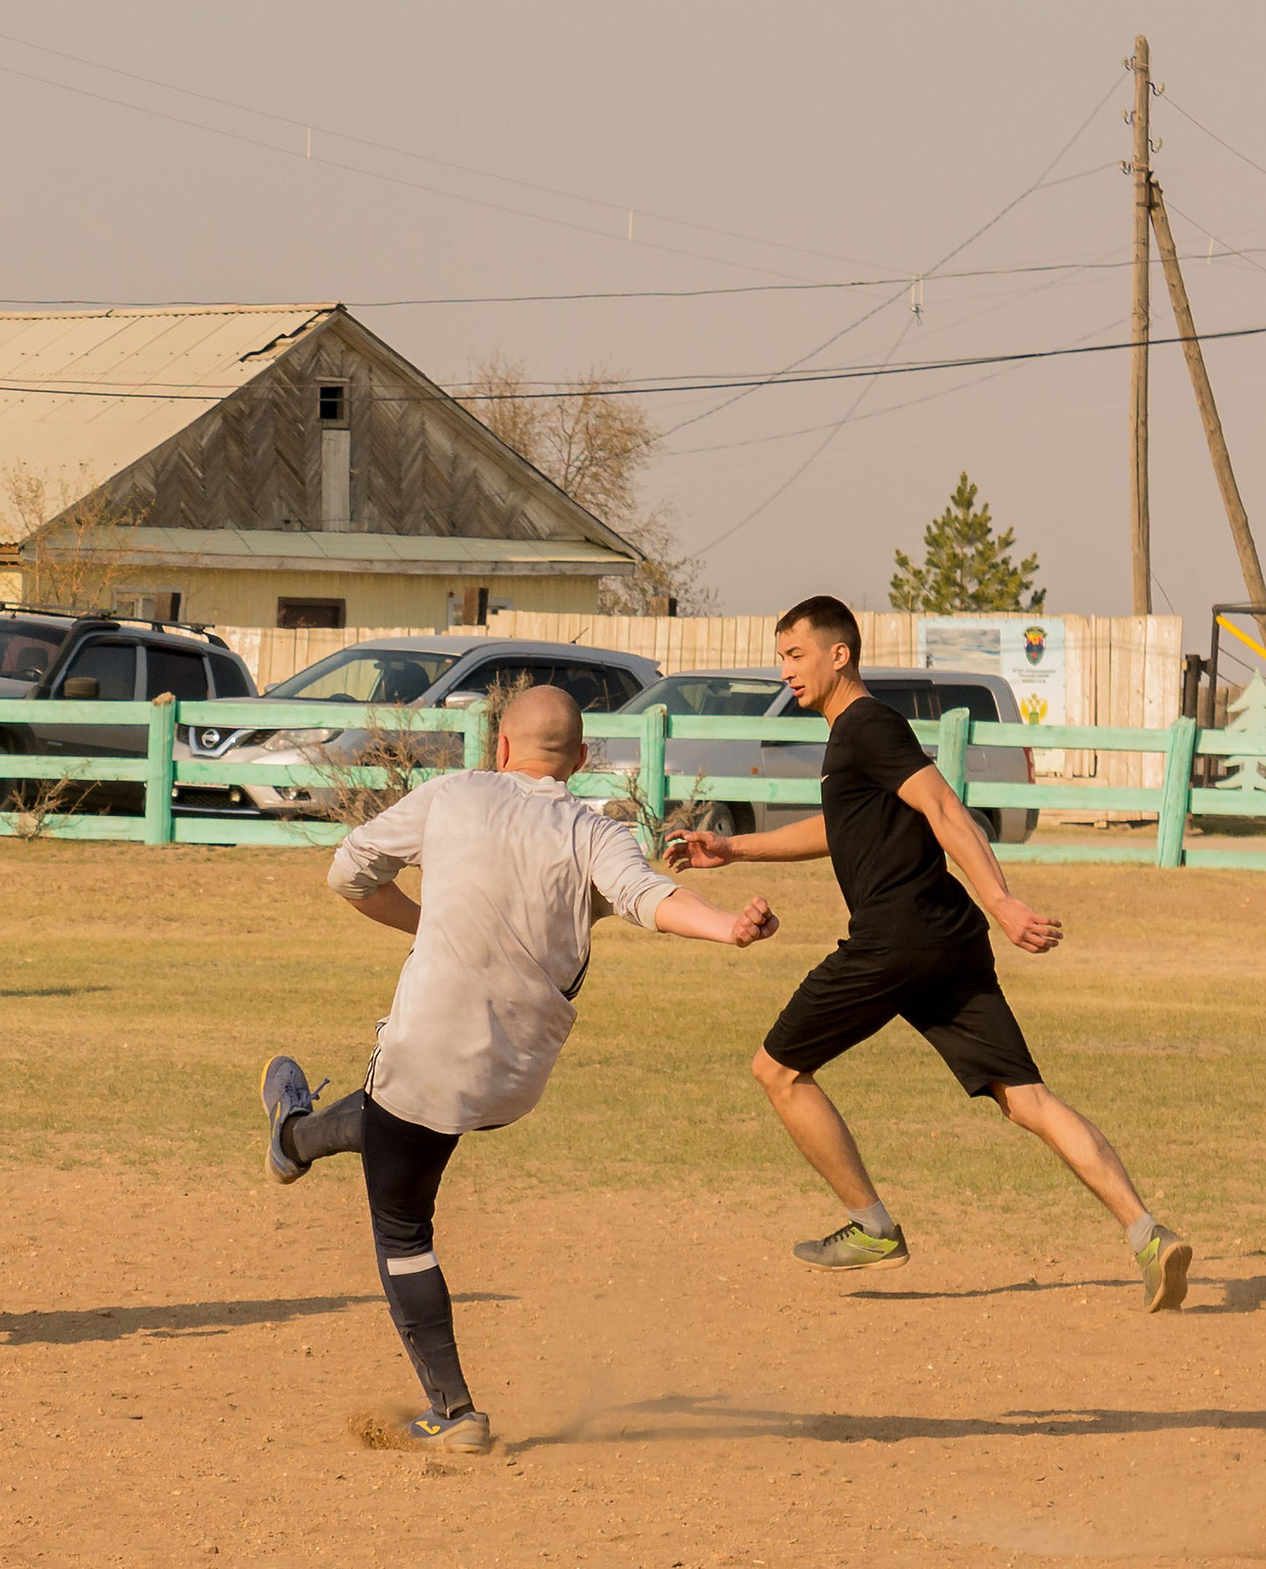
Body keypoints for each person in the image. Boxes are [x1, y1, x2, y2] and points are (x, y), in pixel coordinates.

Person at [259, 685, 781, 1452]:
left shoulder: (452, 793)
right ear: (578, 761)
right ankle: (294, 1140)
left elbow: (347, 873)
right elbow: (649, 898)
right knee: (393, 1124)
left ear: (498, 749)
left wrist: (421, 921)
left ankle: (455, 1413)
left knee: (402, 1223)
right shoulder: (593, 828)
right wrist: (728, 929)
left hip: (428, 1055)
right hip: (515, 1078)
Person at [666, 595, 1194, 1311]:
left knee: (779, 1070)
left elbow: (946, 809)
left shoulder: (864, 723)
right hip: (947, 939)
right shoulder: (856, 737)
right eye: (781, 655)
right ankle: (1149, 1234)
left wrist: (1002, 899)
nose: (784, 669)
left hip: (896, 937)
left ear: (838, 654)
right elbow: (839, 829)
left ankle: (872, 1226)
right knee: (1027, 1097)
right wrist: (731, 847)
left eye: (795, 654)